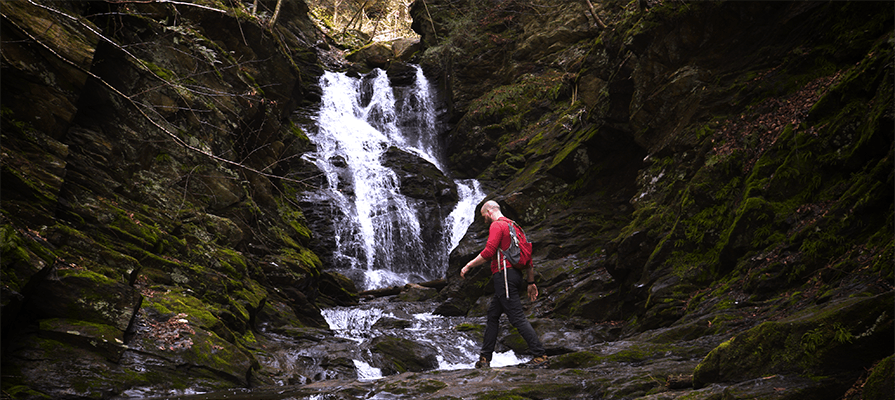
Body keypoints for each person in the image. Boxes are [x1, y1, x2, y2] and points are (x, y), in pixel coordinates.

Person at [460, 200, 548, 369]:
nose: (484, 219)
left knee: (517, 317)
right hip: (515, 275)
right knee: (493, 315)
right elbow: (528, 257)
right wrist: (530, 282)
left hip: (504, 275)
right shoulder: (515, 227)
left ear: (489, 211)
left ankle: (540, 355)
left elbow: (489, 251)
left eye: (484, 215)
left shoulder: (497, 225)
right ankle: (484, 359)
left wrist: (468, 265)